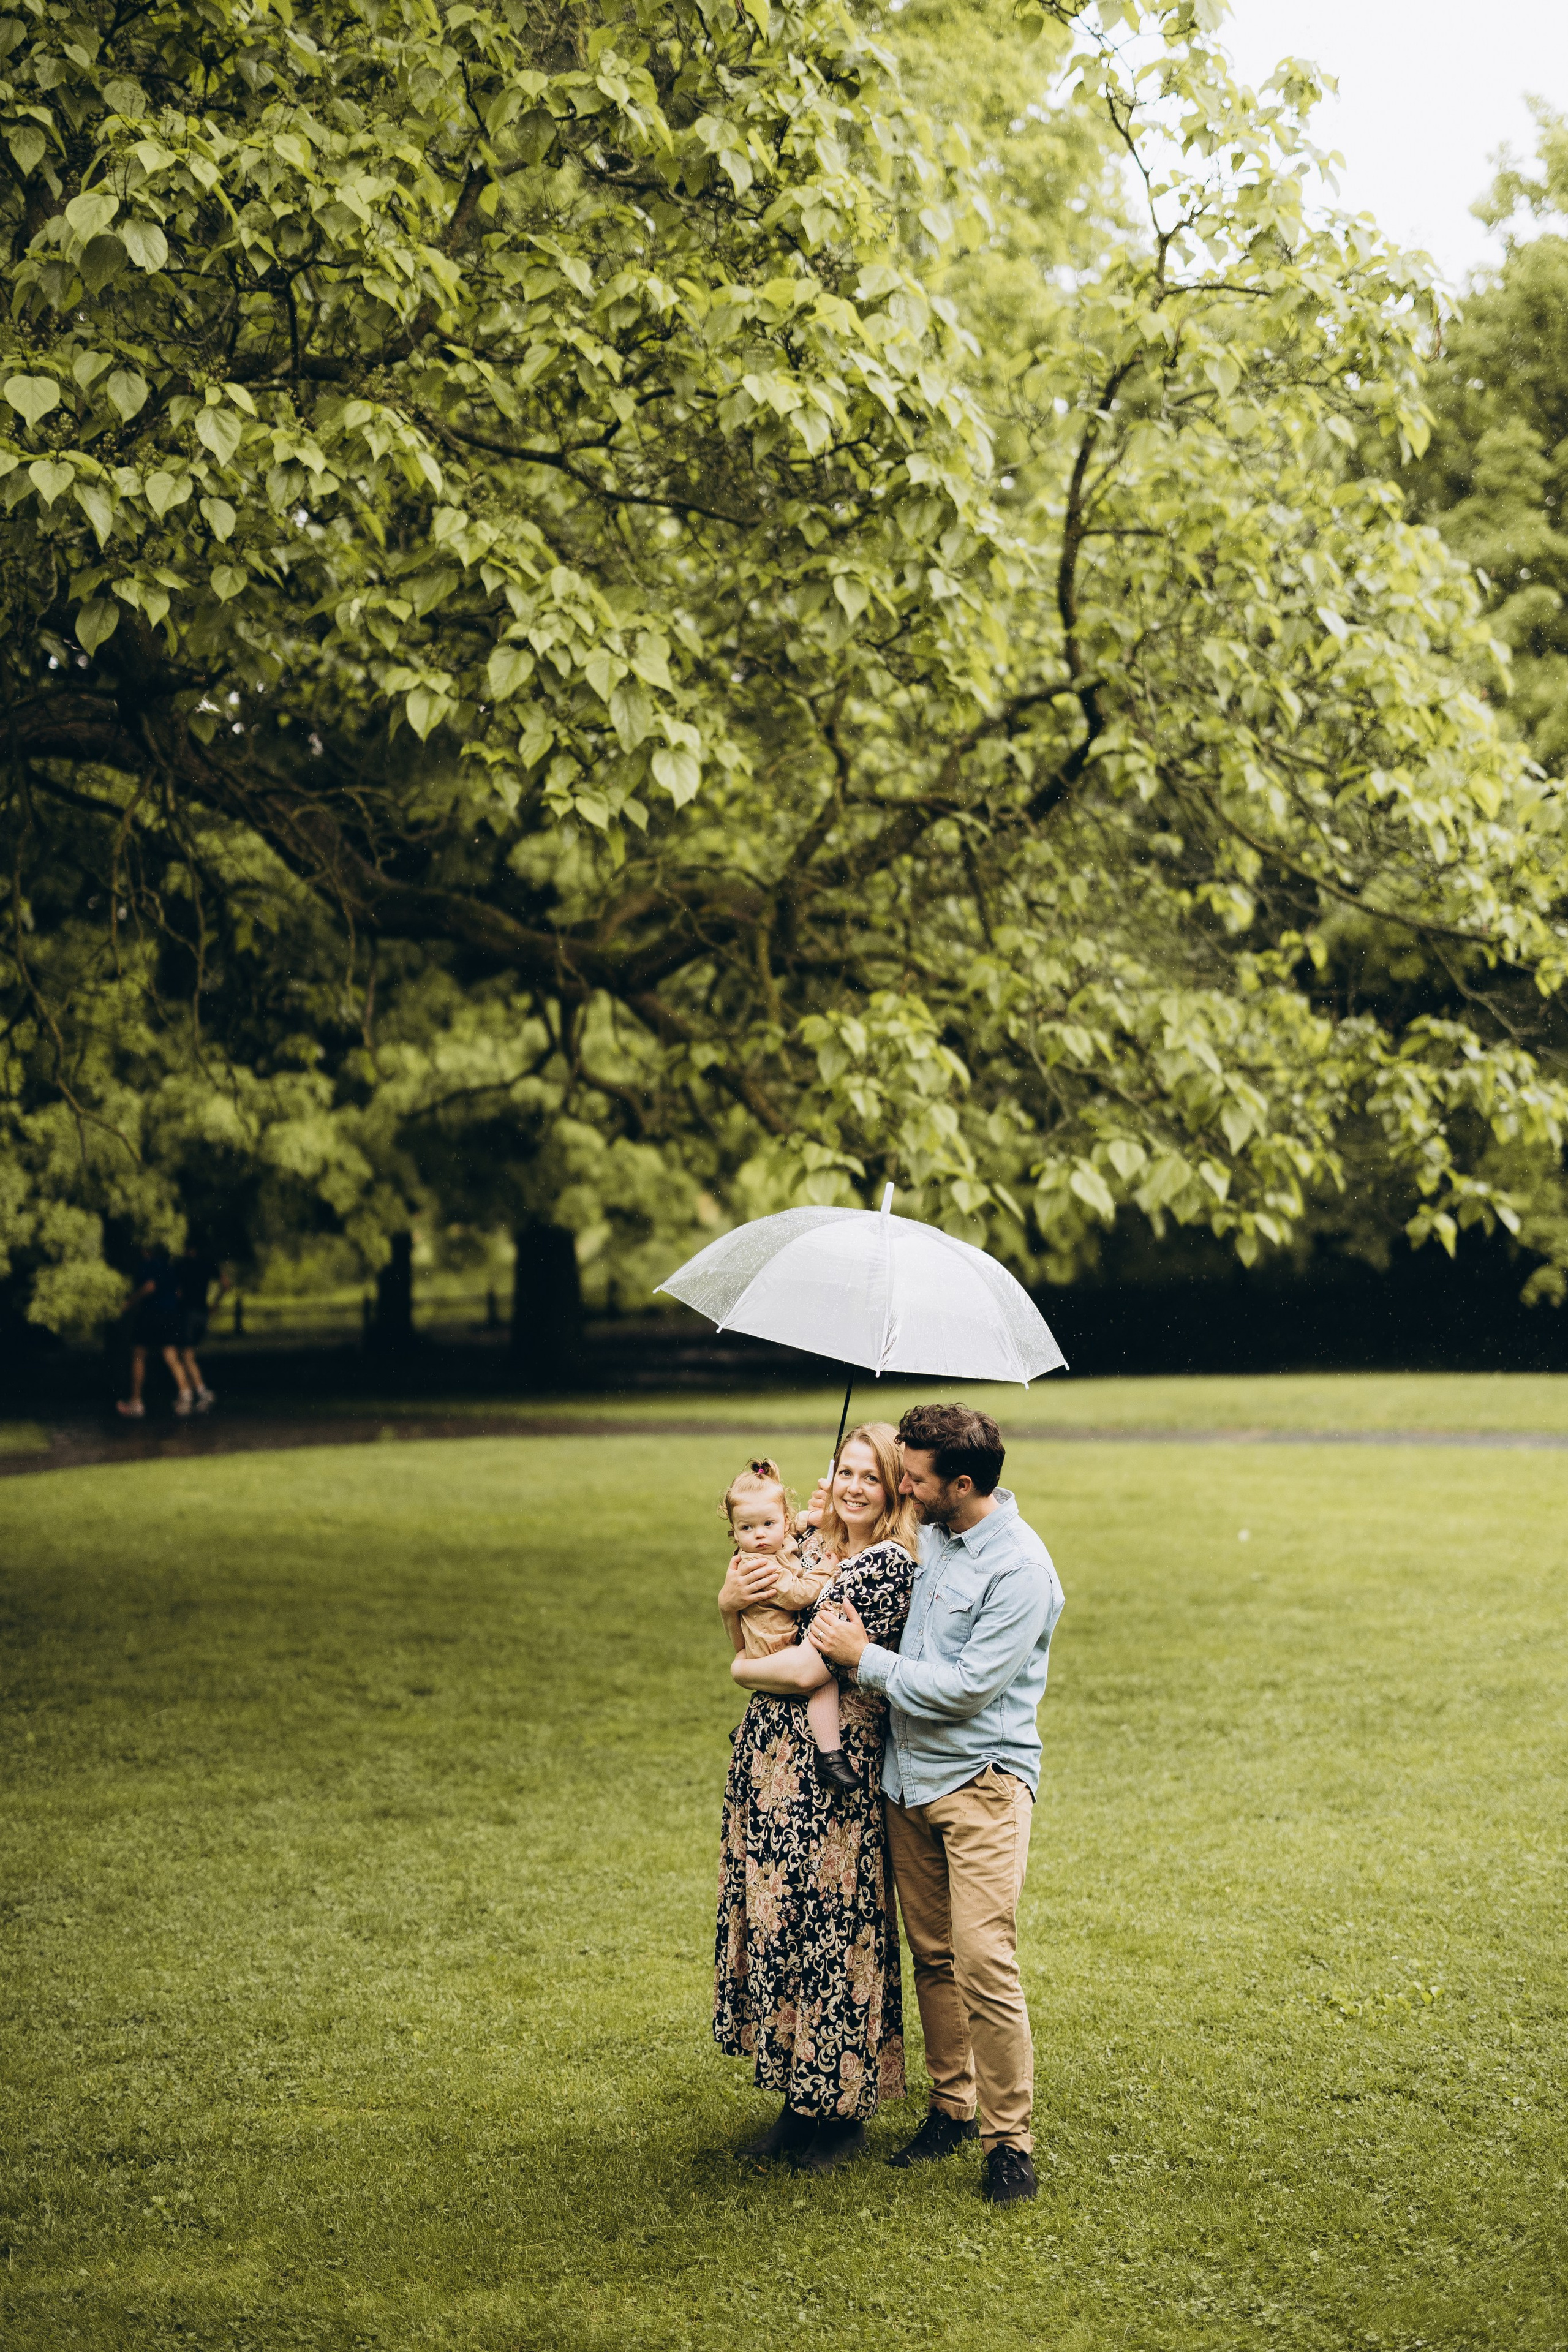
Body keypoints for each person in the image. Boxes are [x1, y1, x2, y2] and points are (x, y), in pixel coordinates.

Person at [810, 1402, 1064, 2207]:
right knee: (934, 1957)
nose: (902, 1486)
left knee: (985, 1961)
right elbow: (857, 1548)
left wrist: (863, 1660)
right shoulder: (935, 1535)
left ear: (961, 1484)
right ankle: (951, 2106)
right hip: (904, 1783)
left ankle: (1009, 2142)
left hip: (980, 1783)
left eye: (914, 1477)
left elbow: (965, 1691)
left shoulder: (1021, 1570)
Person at [714, 1423, 918, 2173]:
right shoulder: (811, 1546)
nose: (858, 1486)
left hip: (829, 1775)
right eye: (849, 1471)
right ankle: (796, 2103)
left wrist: (738, 1670)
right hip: (771, 1766)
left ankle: (839, 2114)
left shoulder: (885, 1568)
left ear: (897, 1487)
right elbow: (760, 1627)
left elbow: (801, 1671)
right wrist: (726, 1603)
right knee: (785, 1926)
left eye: (875, 1475)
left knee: (835, 1925)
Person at [720, 1457, 858, 1795]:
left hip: (772, 1641)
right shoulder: (757, 1566)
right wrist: (826, 1570)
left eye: (769, 1524)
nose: (761, 1535)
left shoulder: (776, 1540)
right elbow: (797, 1595)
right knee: (822, 1684)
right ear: (734, 1532)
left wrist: (810, 1517)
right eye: (747, 1529)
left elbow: (793, 1525)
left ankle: (750, 1725)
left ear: (782, 1520)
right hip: (774, 1646)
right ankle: (830, 1756)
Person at [116, 1244, 193, 1419]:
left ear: (146, 1251)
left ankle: (136, 1402)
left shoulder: (149, 1265)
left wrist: (130, 1302)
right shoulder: (170, 1267)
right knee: (171, 1356)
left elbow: (150, 1286)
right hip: (171, 1315)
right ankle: (186, 1394)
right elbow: (179, 1293)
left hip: (152, 1314)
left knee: (139, 1355)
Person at [173, 1247, 224, 1412]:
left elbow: (177, 1292)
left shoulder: (181, 1265)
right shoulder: (208, 1263)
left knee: (186, 1356)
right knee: (187, 1356)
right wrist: (216, 1303)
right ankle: (191, 1392)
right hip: (203, 1313)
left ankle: (200, 1392)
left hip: (187, 1314)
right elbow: (226, 1283)